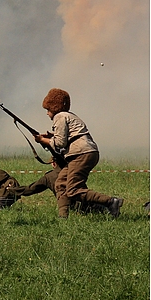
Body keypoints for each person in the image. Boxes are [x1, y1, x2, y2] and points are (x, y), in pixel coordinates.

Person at [34, 88, 123, 219]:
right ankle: (62, 217)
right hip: (84, 153)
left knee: (73, 190)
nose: (47, 113)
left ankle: (110, 202)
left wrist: (43, 140)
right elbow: (69, 136)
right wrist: (51, 136)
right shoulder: (69, 116)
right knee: (61, 184)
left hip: (80, 154)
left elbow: (59, 143)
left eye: (48, 110)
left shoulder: (59, 116)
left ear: (54, 107)